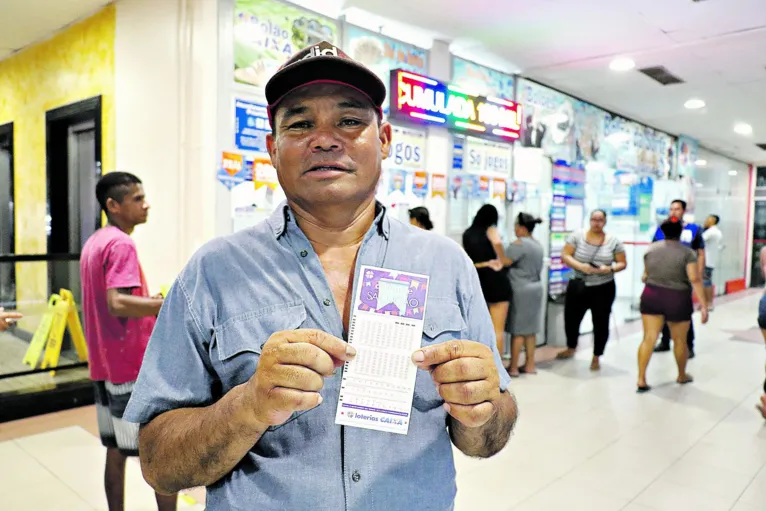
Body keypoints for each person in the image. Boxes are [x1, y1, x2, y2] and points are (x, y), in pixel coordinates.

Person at [123, 41, 517, 511]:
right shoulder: (212, 272)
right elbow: (160, 465)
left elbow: (487, 436)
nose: (326, 139)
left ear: (385, 139)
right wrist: (248, 406)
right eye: (300, 123)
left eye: (350, 121)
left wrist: (481, 408)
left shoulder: (447, 265)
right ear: (272, 147)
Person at [80, 172, 176, 511]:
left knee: (116, 449)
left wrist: (147, 302)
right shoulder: (122, 243)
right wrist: (163, 303)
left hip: (104, 365)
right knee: (160, 453)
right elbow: (117, 302)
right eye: (137, 198)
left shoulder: (97, 241)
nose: (146, 204)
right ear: (113, 205)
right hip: (130, 366)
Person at [637, 217, 709, 392]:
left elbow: (644, 276)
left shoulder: (650, 250)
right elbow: (694, 278)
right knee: (679, 340)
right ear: (680, 233)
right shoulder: (687, 253)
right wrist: (704, 304)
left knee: (649, 338)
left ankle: (641, 379)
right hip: (677, 298)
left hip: (651, 295)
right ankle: (681, 375)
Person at [557, 209, 627, 371]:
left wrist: (608, 269)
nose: (596, 223)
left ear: (605, 221)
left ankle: (597, 355)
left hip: (603, 287)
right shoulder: (577, 236)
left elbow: (622, 263)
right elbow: (565, 255)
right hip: (578, 284)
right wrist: (580, 266)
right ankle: (571, 346)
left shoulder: (613, 241)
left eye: (600, 220)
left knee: (601, 322)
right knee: (571, 319)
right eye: (594, 219)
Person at [652, 199, 705, 357]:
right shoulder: (662, 229)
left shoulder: (693, 229)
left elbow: (700, 252)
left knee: (683, 312)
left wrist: (699, 272)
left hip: (684, 277)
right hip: (663, 277)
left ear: (683, 211)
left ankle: (688, 345)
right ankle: (665, 340)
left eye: (677, 209)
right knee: (663, 311)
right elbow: (654, 250)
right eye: (671, 209)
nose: (674, 212)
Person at [463, 204, 512, 359]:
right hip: (497, 282)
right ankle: (497, 370)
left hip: (477, 283)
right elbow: (503, 260)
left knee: (478, 329)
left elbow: (469, 261)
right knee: (497, 329)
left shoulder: (467, 234)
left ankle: (480, 367)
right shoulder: (491, 233)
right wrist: (497, 245)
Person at [505, 213, 544, 377]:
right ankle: (530, 364)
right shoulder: (537, 244)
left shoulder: (519, 244)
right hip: (535, 289)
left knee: (518, 330)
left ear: (521, 227)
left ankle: (513, 367)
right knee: (530, 330)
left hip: (520, 290)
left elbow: (504, 262)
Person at [702, 214, 723, 310]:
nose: (706, 220)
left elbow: (699, 240)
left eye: (708, 219)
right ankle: (706, 303)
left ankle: (709, 303)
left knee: (706, 282)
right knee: (706, 282)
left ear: (713, 221)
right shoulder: (716, 232)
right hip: (709, 261)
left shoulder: (712, 232)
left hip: (706, 261)